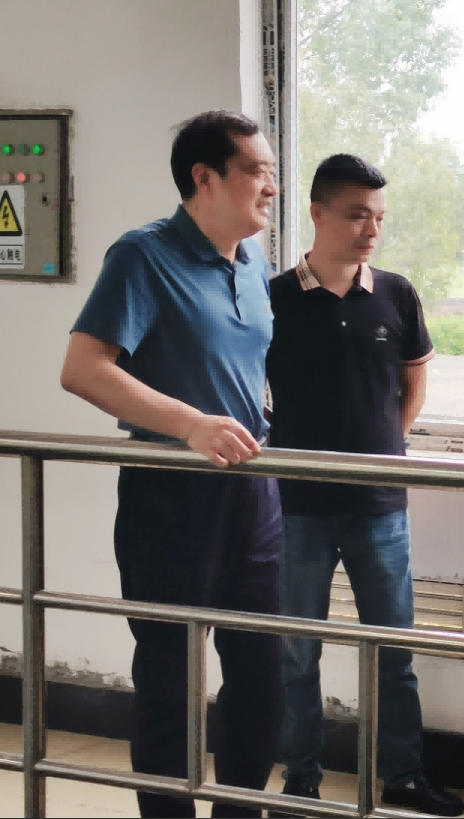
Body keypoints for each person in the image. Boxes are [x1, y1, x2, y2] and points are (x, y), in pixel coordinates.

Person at [59, 110, 281, 818]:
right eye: (257, 170)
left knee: (262, 679)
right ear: (204, 177)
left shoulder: (254, 264)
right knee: (171, 684)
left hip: (254, 494)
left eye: (272, 171)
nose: (271, 185)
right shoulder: (143, 255)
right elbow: (84, 369)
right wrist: (190, 424)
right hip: (171, 494)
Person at [265, 154, 464, 817]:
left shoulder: (397, 293)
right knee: (296, 654)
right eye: (357, 215)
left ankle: (402, 777)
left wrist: (382, 453)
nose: (371, 229)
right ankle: (301, 781)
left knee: (393, 652)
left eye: (378, 217)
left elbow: (413, 383)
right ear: (317, 213)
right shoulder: (273, 297)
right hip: (295, 505)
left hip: (380, 506)